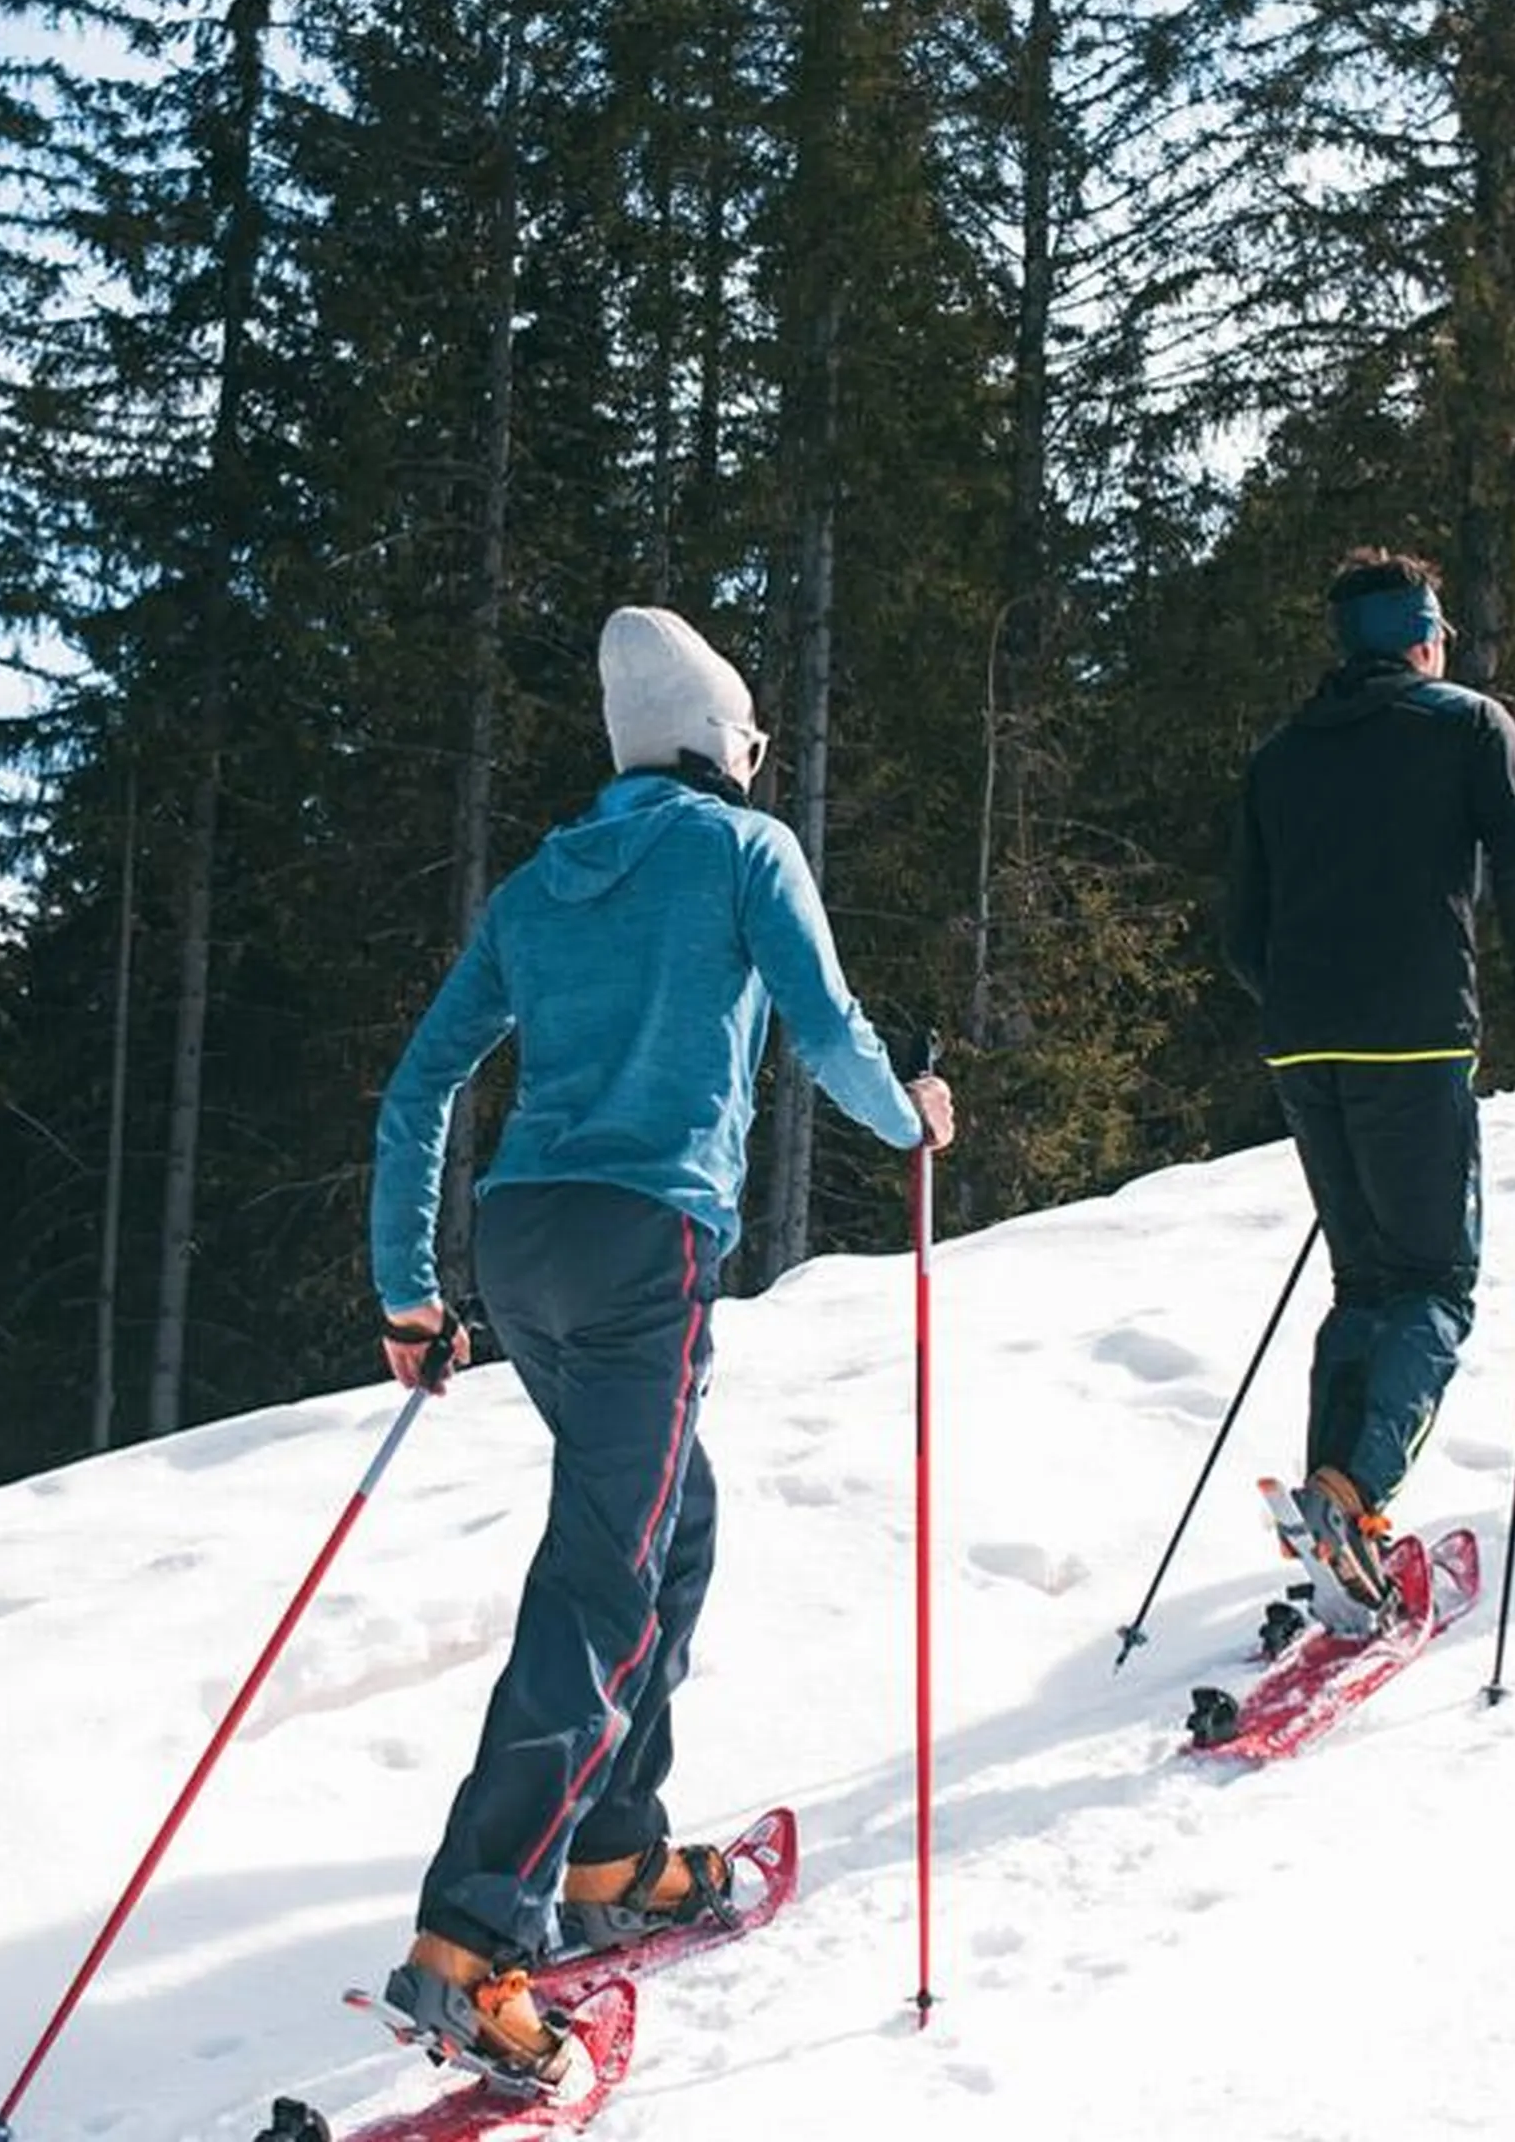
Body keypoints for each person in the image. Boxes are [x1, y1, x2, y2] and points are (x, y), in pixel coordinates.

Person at [363, 605, 954, 2095]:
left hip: (522, 1243)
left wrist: (407, 1293)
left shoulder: (541, 882)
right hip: (644, 1248)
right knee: (606, 1575)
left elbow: (422, 1081)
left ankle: (616, 1849)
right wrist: (914, 1118)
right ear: (721, 740)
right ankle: (470, 1937)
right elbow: (826, 1030)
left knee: (668, 1526)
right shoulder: (746, 853)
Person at [1219, 547, 1515, 1635]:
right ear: (1425, 632)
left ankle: (1333, 1511)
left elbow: (1241, 924)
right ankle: (1351, 1504)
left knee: (1365, 1283)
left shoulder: (1281, 754)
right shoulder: (1469, 725)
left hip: (1305, 1046)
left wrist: (1298, 1002)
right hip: (1415, 1038)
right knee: (1434, 1285)